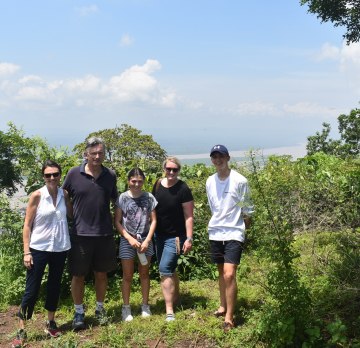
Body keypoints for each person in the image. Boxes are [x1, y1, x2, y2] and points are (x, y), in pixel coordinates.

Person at [12, 161, 73, 348]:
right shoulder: (37, 196)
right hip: (38, 249)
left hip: (60, 248)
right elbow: (27, 225)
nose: (52, 178)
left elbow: (71, 215)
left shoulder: (64, 194)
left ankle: (50, 322)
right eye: (48, 175)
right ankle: (22, 328)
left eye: (55, 174)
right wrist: (26, 252)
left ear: (60, 175)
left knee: (54, 286)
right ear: (43, 177)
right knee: (31, 289)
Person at [62, 137, 118, 329]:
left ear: (104, 154)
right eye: (93, 153)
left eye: (100, 152)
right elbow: (64, 197)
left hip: (104, 234)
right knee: (78, 276)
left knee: (101, 275)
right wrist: (72, 216)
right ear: (85, 154)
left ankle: (100, 308)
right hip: (79, 235)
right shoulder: (73, 174)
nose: (96, 156)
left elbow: (115, 200)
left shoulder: (110, 175)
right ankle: (79, 311)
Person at [206, 145, 254, 332]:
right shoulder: (210, 181)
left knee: (229, 274)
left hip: (235, 232)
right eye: (214, 157)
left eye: (221, 156)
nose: (218, 160)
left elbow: (248, 210)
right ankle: (222, 306)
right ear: (212, 160)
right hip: (216, 231)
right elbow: (214, 207)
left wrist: (244, 233)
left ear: (228, 158)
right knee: (220, 272)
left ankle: (229, 318)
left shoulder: (240, 181)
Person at [152, 156, 194, 322]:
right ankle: (176, 299)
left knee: (164, 270)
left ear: (179, 170)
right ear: (164, 169)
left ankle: (169, 310)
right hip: (158, 235)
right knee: (170, 268)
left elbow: (188, 216)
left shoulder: (183, 188)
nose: (171, 172)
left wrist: (189, 238)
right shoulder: (157, 184)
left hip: (176, 237)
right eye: (168, 169)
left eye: (174, 170)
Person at [114, 168, 157, 321]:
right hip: (128, 241)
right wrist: (129, 239)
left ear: (143, 181)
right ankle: (126, 307)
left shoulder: (149, 197)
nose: (136, 184)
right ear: (128, 181)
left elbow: (153, 221)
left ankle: (145, 305)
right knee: (128, 275)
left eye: (139, 181)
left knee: (145, 274)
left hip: (146, 240)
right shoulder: (122, 198)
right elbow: (117, 222)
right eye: (133, 181)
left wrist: (147, 240)